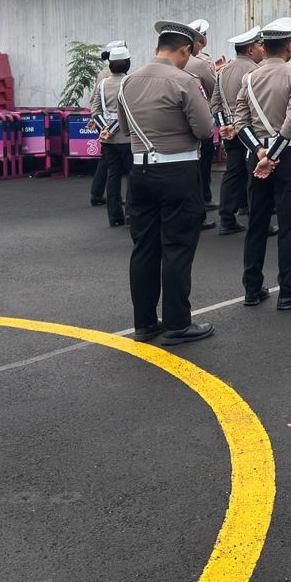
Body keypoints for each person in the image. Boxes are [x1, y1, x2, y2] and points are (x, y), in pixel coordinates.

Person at [109, 19, 215, 345]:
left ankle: (144, 323)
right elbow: (204, 130)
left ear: (157, 48)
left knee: (144, 248)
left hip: (140, 172)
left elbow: (124, 128)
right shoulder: (185, 81)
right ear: (184, 50)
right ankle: (177, 323)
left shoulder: (129, 81)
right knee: (177, 247)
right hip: (178, 171)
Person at [234, 17, 291, 311]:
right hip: (288, 155)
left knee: (257, 222)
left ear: (264, 47)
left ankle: (252, 288)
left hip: (256, 156)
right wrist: (274, 155)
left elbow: (240, 122)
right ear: (288, 47)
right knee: (289, 224)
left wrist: (261, 152)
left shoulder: (249, 78)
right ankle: (288, 290)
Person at [213, 27, 262, 236]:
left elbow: (215, 104)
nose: (263, 49)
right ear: (250, 50)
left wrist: (224, 126)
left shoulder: (223, 71)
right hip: (250, 129)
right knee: (256, 174)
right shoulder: (255, 71)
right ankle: (257, 219)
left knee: (233, 172)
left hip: (230, 130)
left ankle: (227, 217)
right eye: (260, 45)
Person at [94, 46, 133, 227]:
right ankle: (131, 214)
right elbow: (130, 111)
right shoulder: (130, 82)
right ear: (127, 64)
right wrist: (115, 128)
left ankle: (115, 217)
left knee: (113, 175)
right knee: (132, 175)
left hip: (108, 139)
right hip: (127, 137)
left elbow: (95, 111)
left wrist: (105, 129)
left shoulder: (102, 84)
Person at [184, 19, 219, 220]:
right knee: (203, 162)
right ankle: (203, 199)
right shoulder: (201, 63)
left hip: (180, 123)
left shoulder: (176, 62)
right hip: (201, 117)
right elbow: (214, 90)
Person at [89, 40, 124, 206]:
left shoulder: (104, 73)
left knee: (107, 162)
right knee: (115, 165)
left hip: (103, 122)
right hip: (114, 124)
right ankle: (102, 195)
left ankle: (97, 193)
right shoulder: (111, 76)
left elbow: (94, 101)